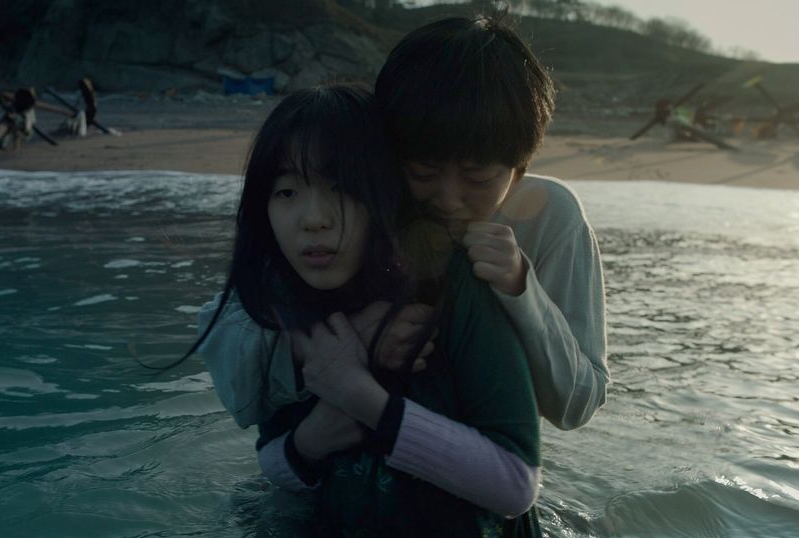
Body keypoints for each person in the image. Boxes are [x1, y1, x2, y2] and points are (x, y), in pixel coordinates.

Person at [195, 83, 544, 538]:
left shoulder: (454, 286)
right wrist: (310, 441)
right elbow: (273, 463)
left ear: (385, 194)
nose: (313, 220)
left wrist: (361, 399)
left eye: (343, 188)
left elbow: (516, 485)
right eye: (287, 192)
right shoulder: (282, 302)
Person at [198, 14, 608, 432]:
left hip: (479, 459)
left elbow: (577, 406)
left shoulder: (550, 216)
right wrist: (348, 340)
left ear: (519, 171)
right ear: (389, 153)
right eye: (423, 172)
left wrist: (522, 288)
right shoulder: (359, 200)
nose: (448, 199)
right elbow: (232, 364)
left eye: (478, 179)